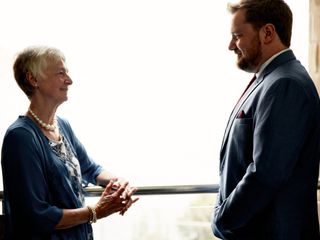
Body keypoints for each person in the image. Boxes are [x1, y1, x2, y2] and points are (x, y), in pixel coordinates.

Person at [1, 45, 139, 240]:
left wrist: (119, 184)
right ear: (33, 79)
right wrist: (95, 212)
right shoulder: (20, 137)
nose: (70, 80)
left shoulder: (62, 125)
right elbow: (34, 216)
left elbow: (90, 168)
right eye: (61, 72)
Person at [212, 0, 320, 239]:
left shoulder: (285, 83)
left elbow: (266, 173)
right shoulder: (271, 79)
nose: (231, 45)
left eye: (237, 35)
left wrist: (223, 220)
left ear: (268, 33)